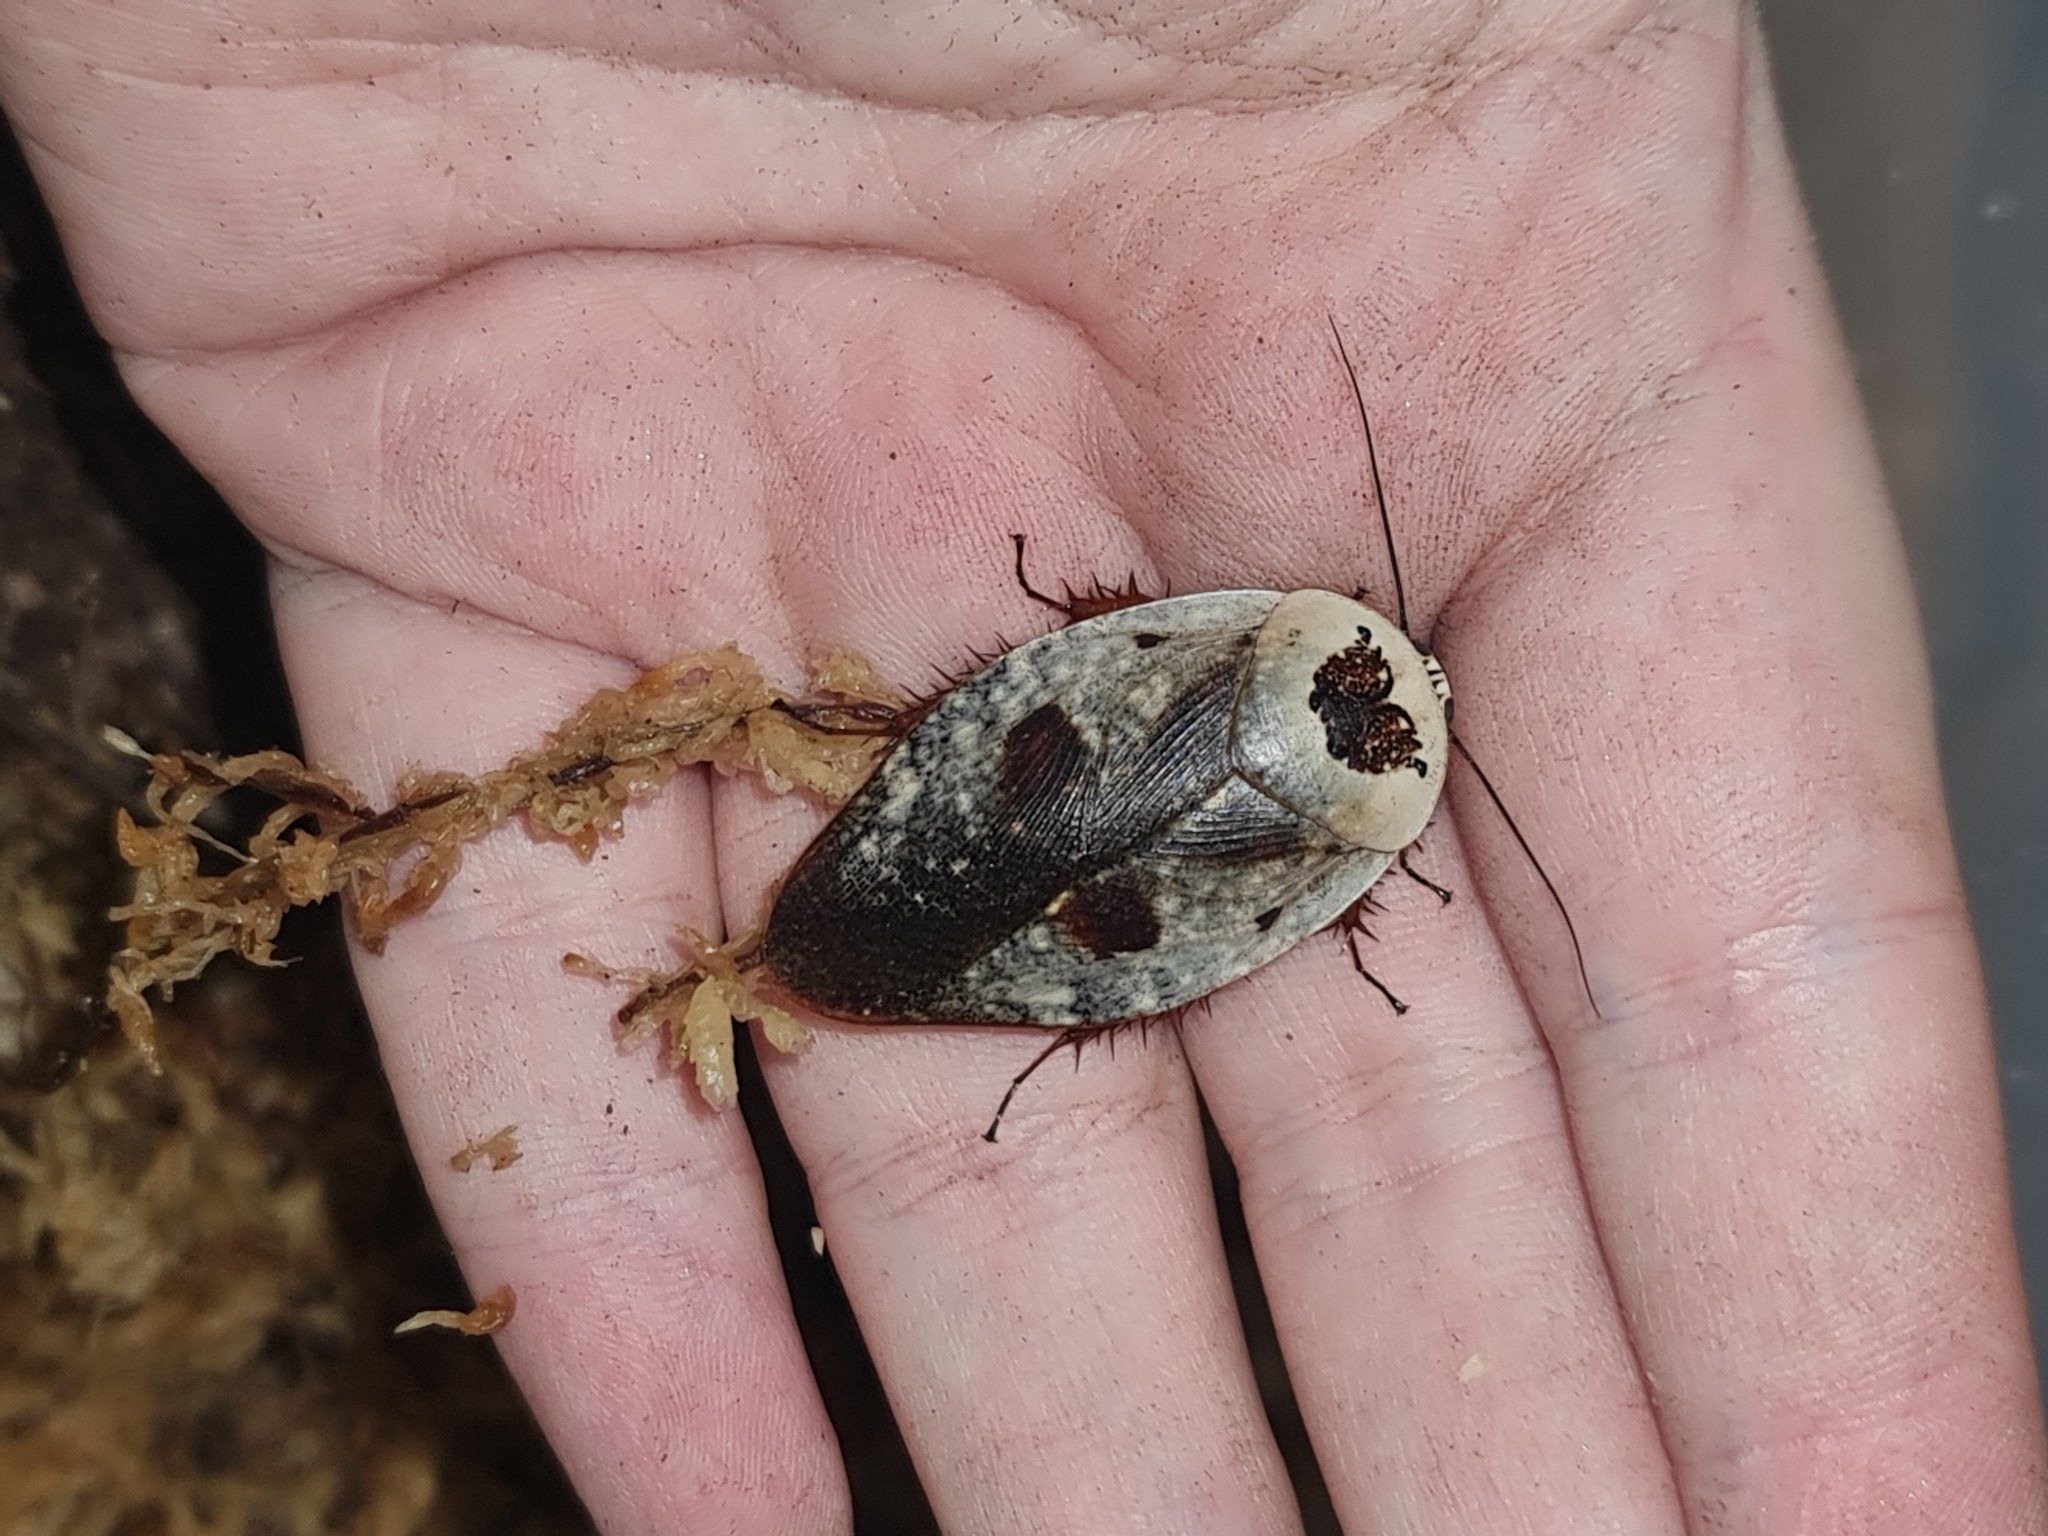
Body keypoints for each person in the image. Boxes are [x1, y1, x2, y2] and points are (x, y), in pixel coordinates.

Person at [4, 1, 2040, 1529]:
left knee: (1029, 805)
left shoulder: (1281, 658)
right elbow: (1162, 846)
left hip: (1028, 783)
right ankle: (822, 960)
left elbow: (1078, 670)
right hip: (1052, 858)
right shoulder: (1356, 829)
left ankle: (820, 958)